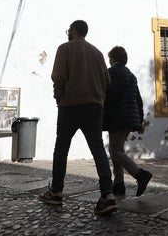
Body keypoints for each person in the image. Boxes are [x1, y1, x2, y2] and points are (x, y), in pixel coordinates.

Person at [39, 20, 117, 216]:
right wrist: (98, 97)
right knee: (98, 149)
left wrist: (59, 97)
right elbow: (107, 81)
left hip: (70, 106)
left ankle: (56, 192)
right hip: (94, 107)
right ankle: (107, 195)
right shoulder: (98, 53)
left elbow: (58, 76)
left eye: (69, 30)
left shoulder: (65, 48)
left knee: (62, 148)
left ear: (73, 30)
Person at [104, 46, 153, 197]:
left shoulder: (112, 72)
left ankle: (140, 174)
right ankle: (118, 185)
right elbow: (138, 100)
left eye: (110, 57)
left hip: (117, 117)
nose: (109, 60)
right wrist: (139, 121)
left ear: (113, 58)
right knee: (116, 150)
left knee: (116, 150)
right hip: (129, 119)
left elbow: (110, 95)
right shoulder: (131, 75)